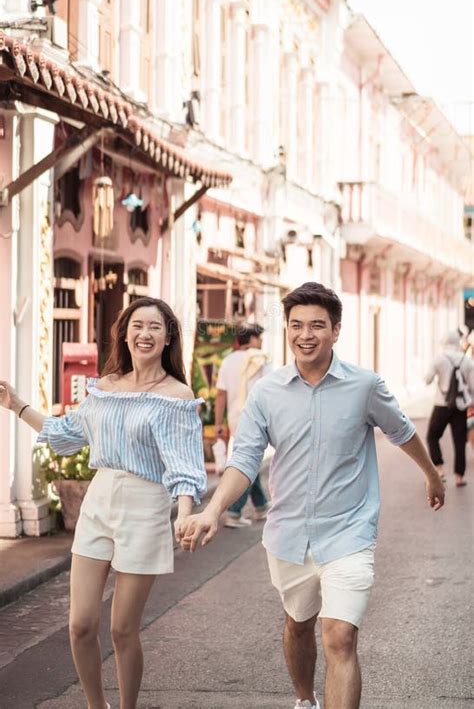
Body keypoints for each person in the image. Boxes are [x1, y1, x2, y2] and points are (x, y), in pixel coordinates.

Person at [180, 282, 445, 709]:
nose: (306, 334)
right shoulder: (267, 392)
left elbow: (402, 431)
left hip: (349, 532)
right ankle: (305, 699)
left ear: (336, 330)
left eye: (317, 325)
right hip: (288, 534)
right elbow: (244, 459)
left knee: (340, 636)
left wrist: (432, 475)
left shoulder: (364, 386)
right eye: (297, 325)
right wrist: (213, 510)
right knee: (298, 624)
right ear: (286, 328)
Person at [0, 297, 206, 709]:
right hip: (99, 501)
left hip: (145, 506)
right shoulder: (104, 388)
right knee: (79, 625)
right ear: (125, 333)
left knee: (123, 630)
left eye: (154, 327)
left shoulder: (176, 395)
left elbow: (185, 464)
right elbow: (66, 434)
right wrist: (16, 404)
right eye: (137, 325)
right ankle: (97, 705)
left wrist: (185, 513)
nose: (145, 334)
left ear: (168, 338)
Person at [215, 323, 271, 527]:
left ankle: (261, 506)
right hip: (256, 418)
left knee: (249, 459)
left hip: (235, 419)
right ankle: (234, 512)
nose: (261, 341)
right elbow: (270, 392)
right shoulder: (261, 359)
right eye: (259, 337)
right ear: (253, 340)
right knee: (249, 462)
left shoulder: (228, 361)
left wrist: (219, 422)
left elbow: (221, 394)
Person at [425, 329, 474, 487]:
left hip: (442, 405)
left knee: (432, 436)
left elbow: (427, 379)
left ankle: (439, 469)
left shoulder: (439, 358)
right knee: (460, 441)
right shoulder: (466, 360)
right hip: (460, 406)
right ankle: (459, 477)